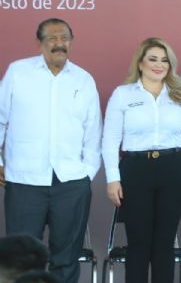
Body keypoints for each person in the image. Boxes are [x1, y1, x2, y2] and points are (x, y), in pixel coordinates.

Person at [0, 18, 101, 283]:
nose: (59, 44)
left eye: (64, 38)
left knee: (66, 259)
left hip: (71, 183)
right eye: (52, 38)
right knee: (19, 260)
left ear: (71, 41)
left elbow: (93, 133)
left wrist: (85, 175)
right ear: (39, 43)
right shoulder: (18, 73)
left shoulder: (83, 79)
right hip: (24, 180)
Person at [102, 37, 181, 283]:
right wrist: (113, 179)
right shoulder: (123, 94)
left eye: (165, 60)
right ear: (140, 63)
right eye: (153, 59)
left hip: (173, 170)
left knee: (164, 243)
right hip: (135, 171)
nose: (159, 65)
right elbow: (110, 139)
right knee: (138, 243)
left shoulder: (180, 95)